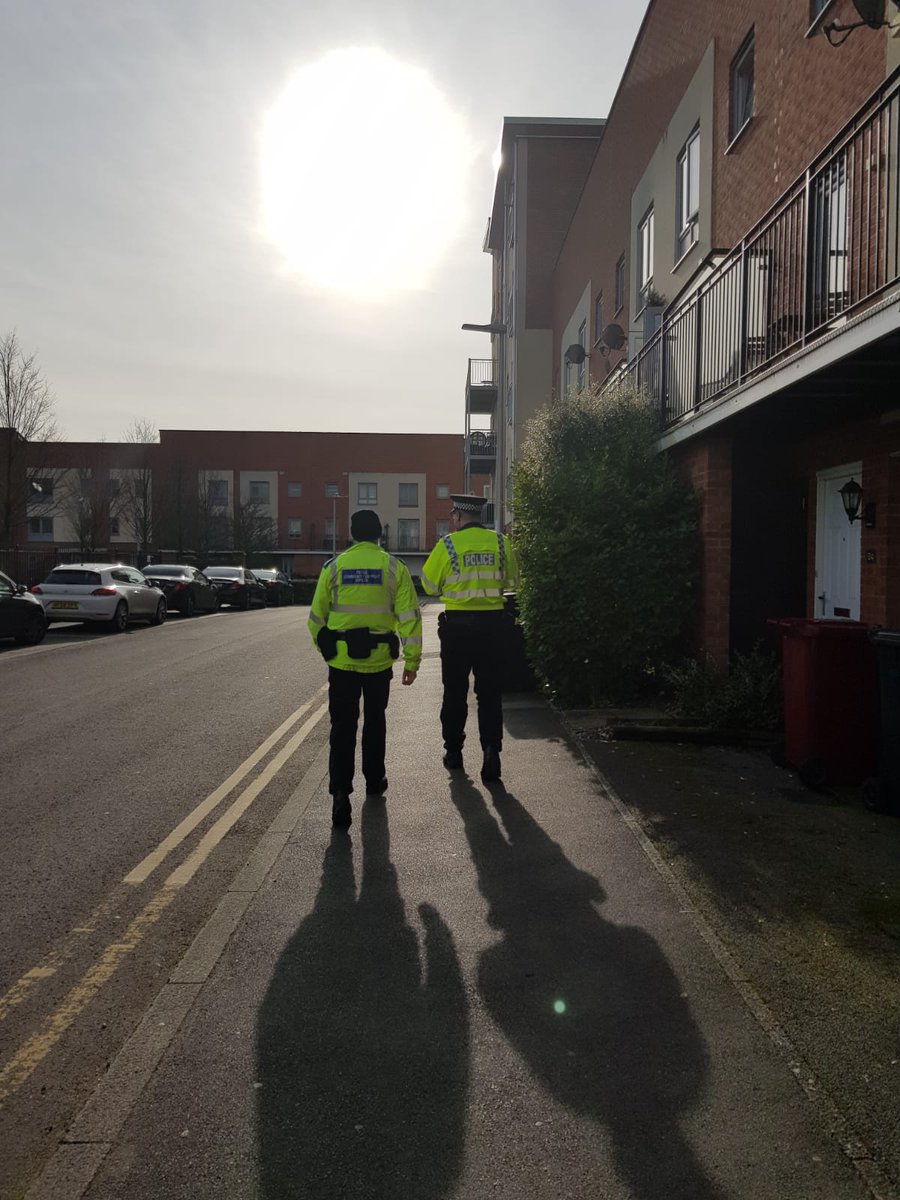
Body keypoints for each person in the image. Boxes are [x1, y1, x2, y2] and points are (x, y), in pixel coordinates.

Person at [308, 509, 421, 828]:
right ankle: (374, 780)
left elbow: (315, 619)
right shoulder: (394, 567)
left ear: (352, 534)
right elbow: (409, 617)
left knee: (342, 727)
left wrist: (327, 650)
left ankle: (340, 793)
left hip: (342, 662)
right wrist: (412, 661)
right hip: (379, 661)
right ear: (378, 535)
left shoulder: (334, 567)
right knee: (375, 722)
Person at [420, 494, 518, 783]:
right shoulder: (501, 542)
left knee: (454, 692)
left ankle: (453, 752)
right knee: (490, 693)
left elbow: (428, 585)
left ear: (458, 517)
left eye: (453, 515)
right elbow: (513, 582)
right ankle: (491, 750)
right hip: (493, 628)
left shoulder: (447, 545)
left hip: (457, 630)